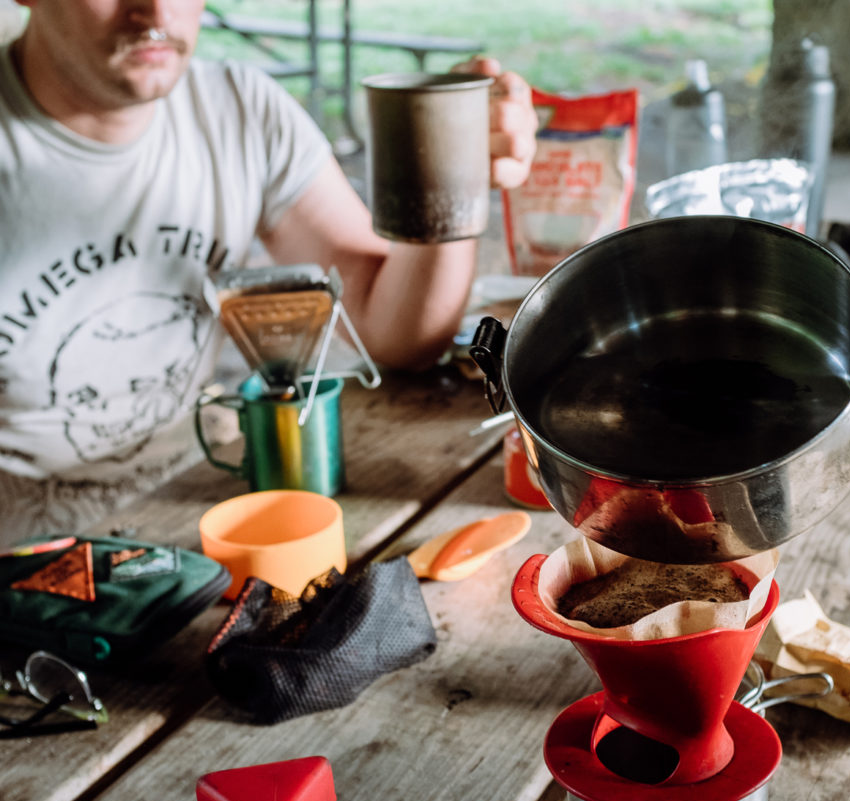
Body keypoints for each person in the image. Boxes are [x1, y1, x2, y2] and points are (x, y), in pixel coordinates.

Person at [0, 1, 537, 544]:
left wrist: (451, 176)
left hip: (199, 491)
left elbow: (395, 333)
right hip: (18, 528)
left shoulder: (236, 110)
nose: (156, 11)